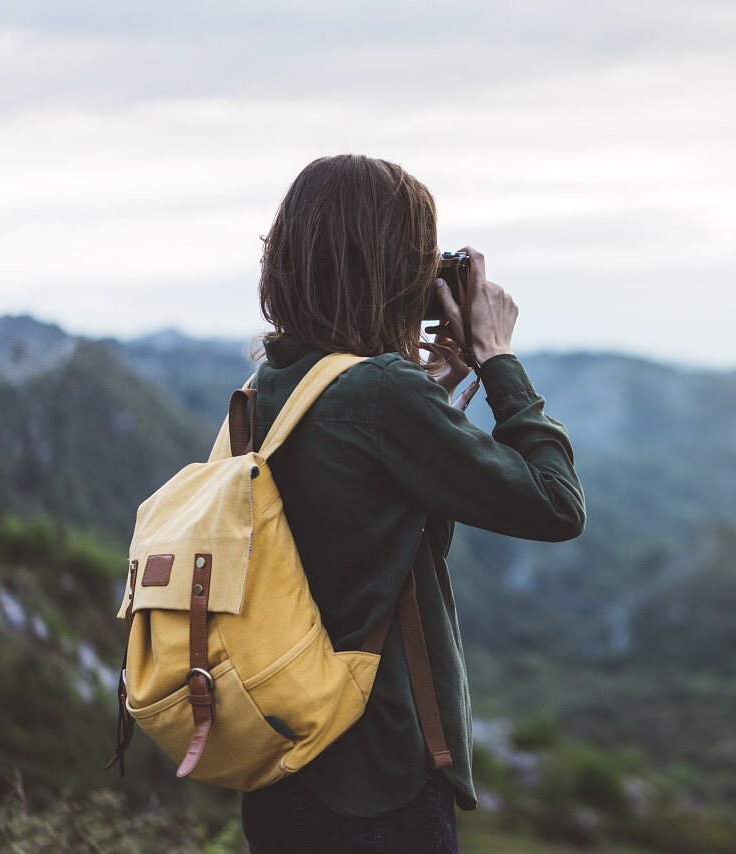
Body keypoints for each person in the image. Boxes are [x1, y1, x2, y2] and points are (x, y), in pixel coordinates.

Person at [238, 154, 586, 853]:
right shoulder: (380, 394)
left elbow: (374, 530)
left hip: (280, 763)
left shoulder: (270, 384)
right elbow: (556, 506)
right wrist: (496, 359)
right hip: (377, 775)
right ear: (391, 267)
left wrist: (436, 395)